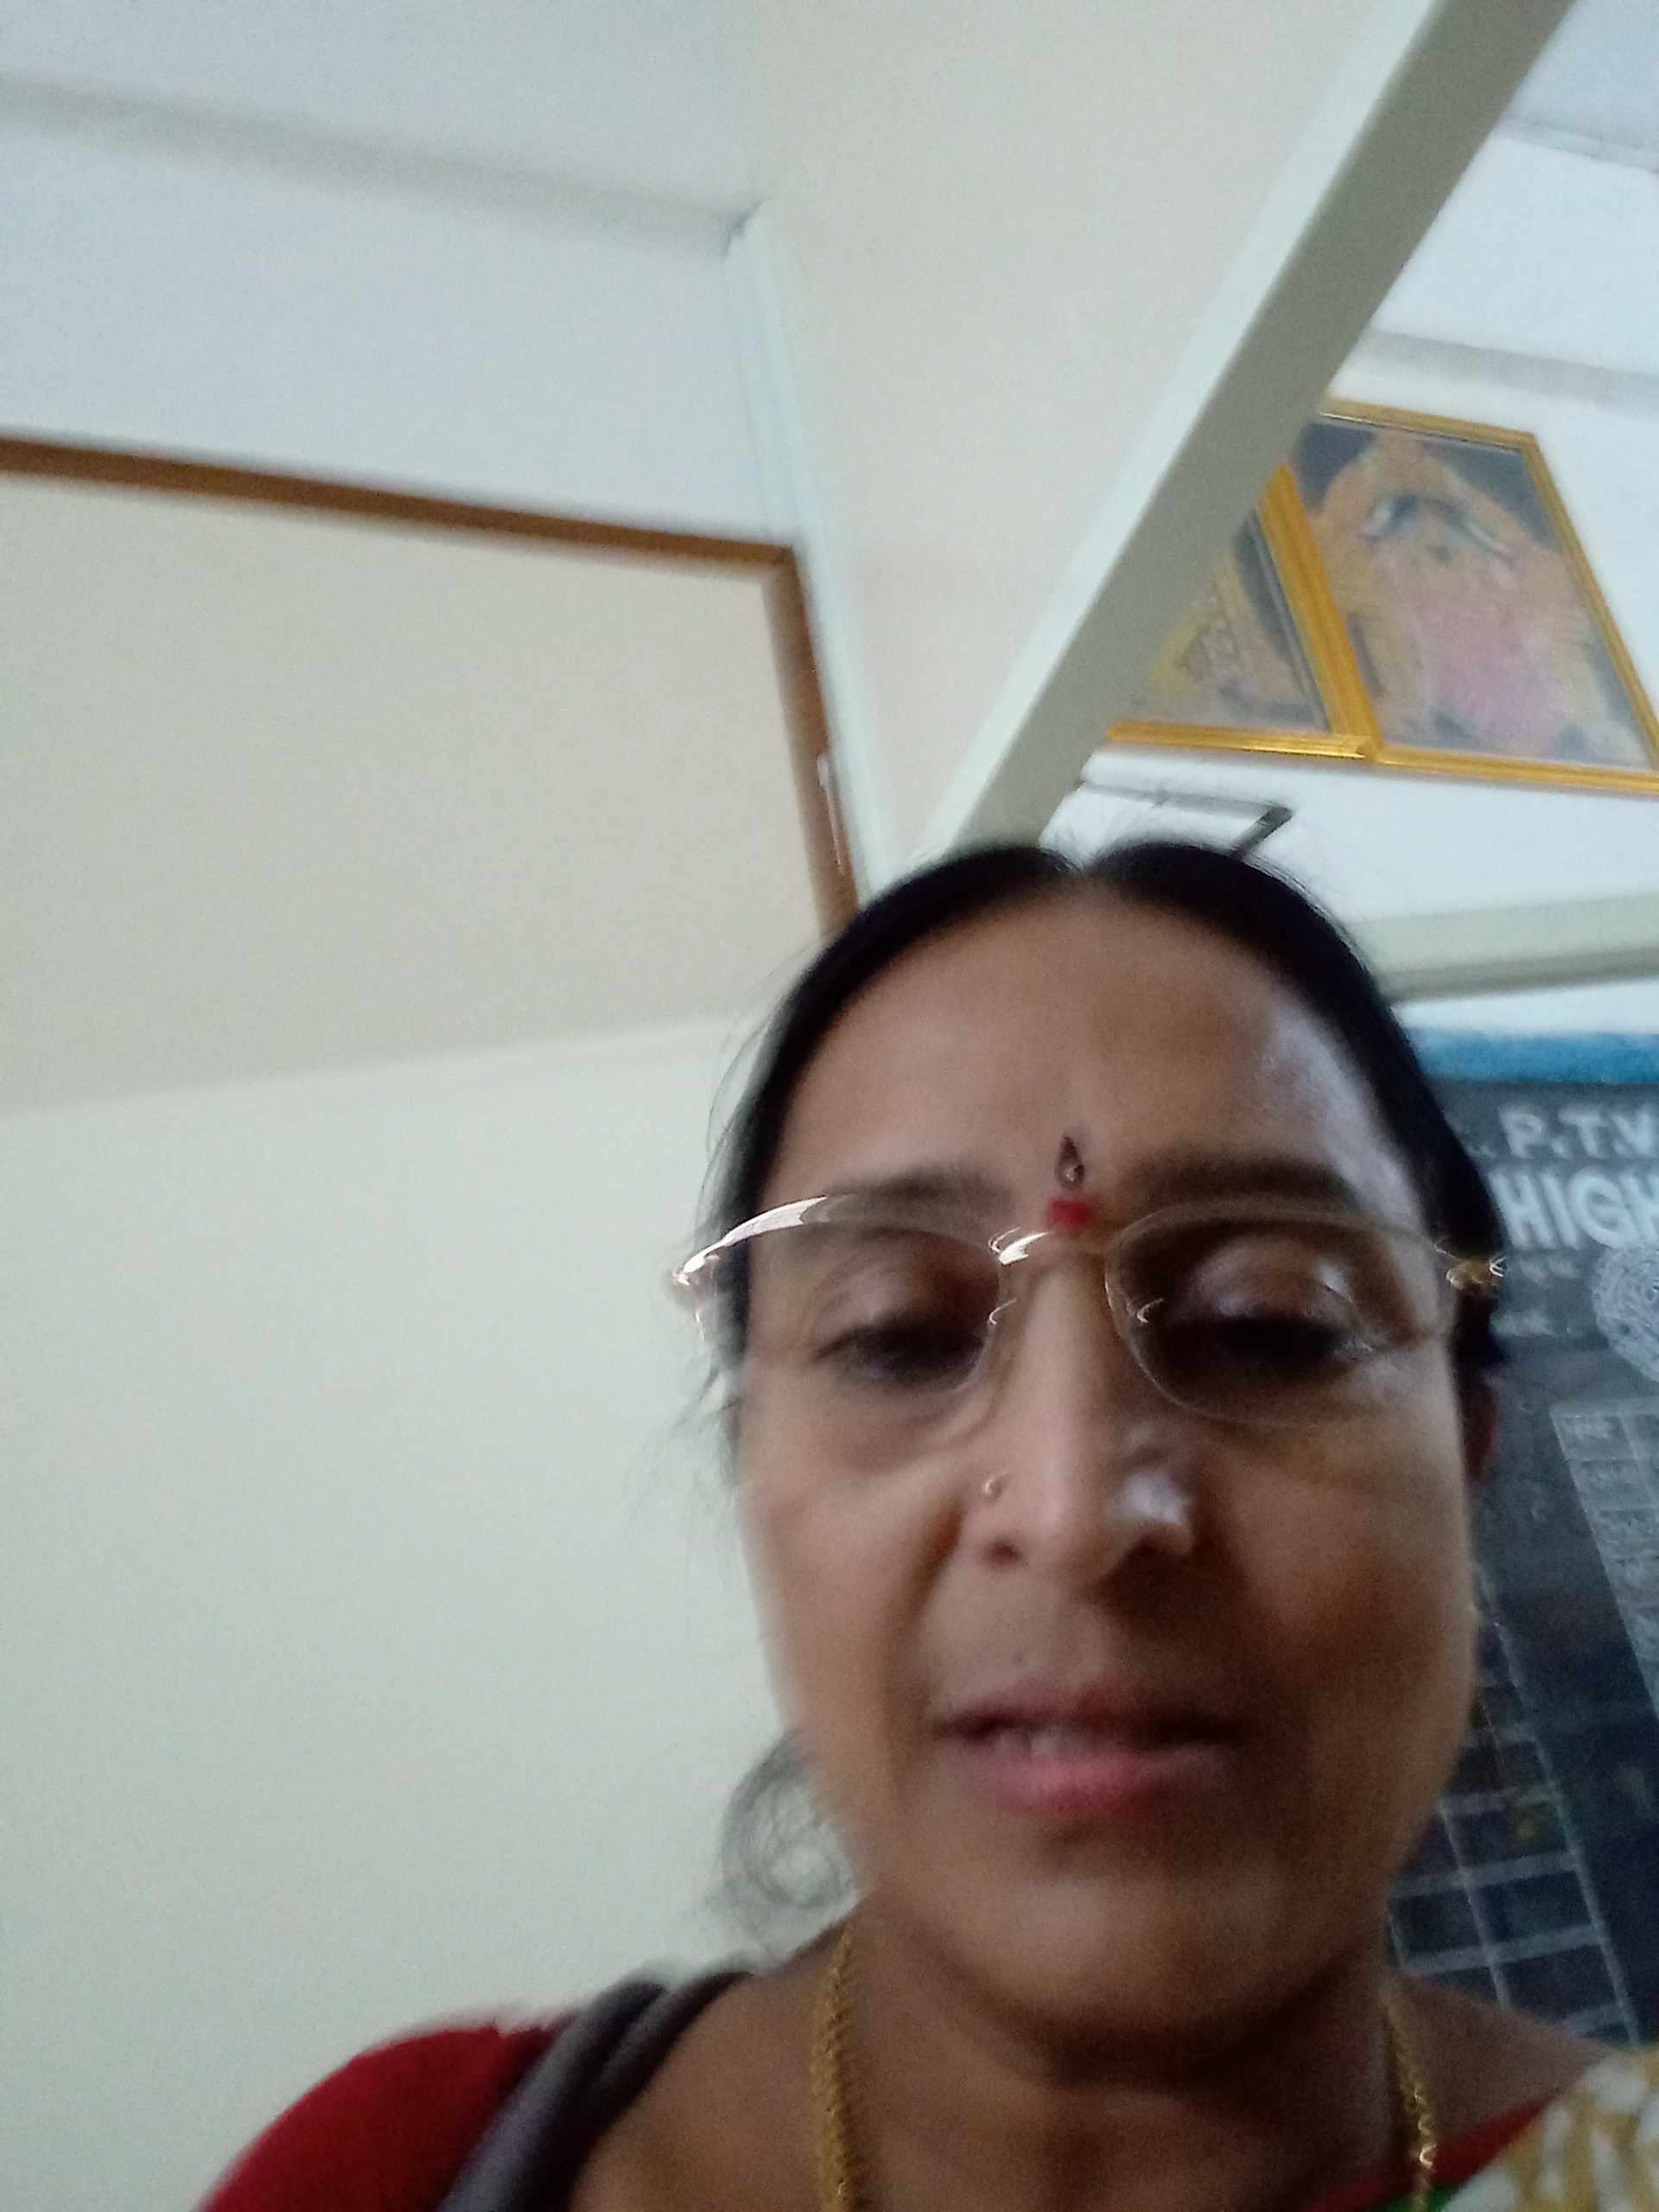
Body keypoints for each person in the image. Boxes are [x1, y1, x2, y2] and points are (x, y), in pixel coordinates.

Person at [203, 841, 1659, 2212]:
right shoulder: (416, 2167)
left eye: (1267, 1327)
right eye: (897, 1336)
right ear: (747, 1473)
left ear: (1469, 1460)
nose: (1075, 1508)